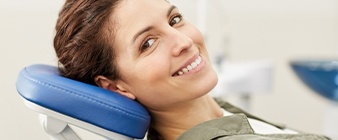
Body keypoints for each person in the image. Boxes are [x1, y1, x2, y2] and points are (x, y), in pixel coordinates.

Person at [53, 0, 330, 139]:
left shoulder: (218, 112)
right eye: (148, 43)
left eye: (174, 20)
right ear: (115, 86)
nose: (185, 41)